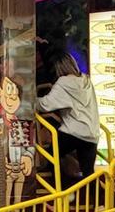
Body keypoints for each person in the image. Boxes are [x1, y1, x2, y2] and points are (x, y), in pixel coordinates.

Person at [38, 51, 102, 185]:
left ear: (59, 68)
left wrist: (29, 100)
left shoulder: (63, 82)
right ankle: (98, 203)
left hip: (73, 131)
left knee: (51, 156)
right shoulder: (87, 82)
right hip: (92, 133)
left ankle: (63, 191)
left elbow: (46, 105)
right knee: (88, 172)